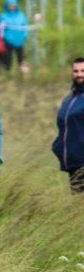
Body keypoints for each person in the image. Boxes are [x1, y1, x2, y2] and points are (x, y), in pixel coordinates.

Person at [51, 57, 84, 193]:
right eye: (76, 71)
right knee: (77, 204)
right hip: (73, 165)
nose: (79, 74)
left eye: (82, 71)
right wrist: (57, 147)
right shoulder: (69, 99)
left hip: (82, 161)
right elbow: (63, 127)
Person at [0, 0, 29, 73]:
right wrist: (3, 36)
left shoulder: (21, 15)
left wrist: (25, 35)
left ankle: (23, 73)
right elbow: (0, 29)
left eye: (13, 5)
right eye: (10, 5)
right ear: (7, 6)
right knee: (8, 59)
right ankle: (7, 73)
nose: (12, 7)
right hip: (8, 41)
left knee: (21, 58)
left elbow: (25, 26)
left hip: (20, 41)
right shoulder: (3, 16)